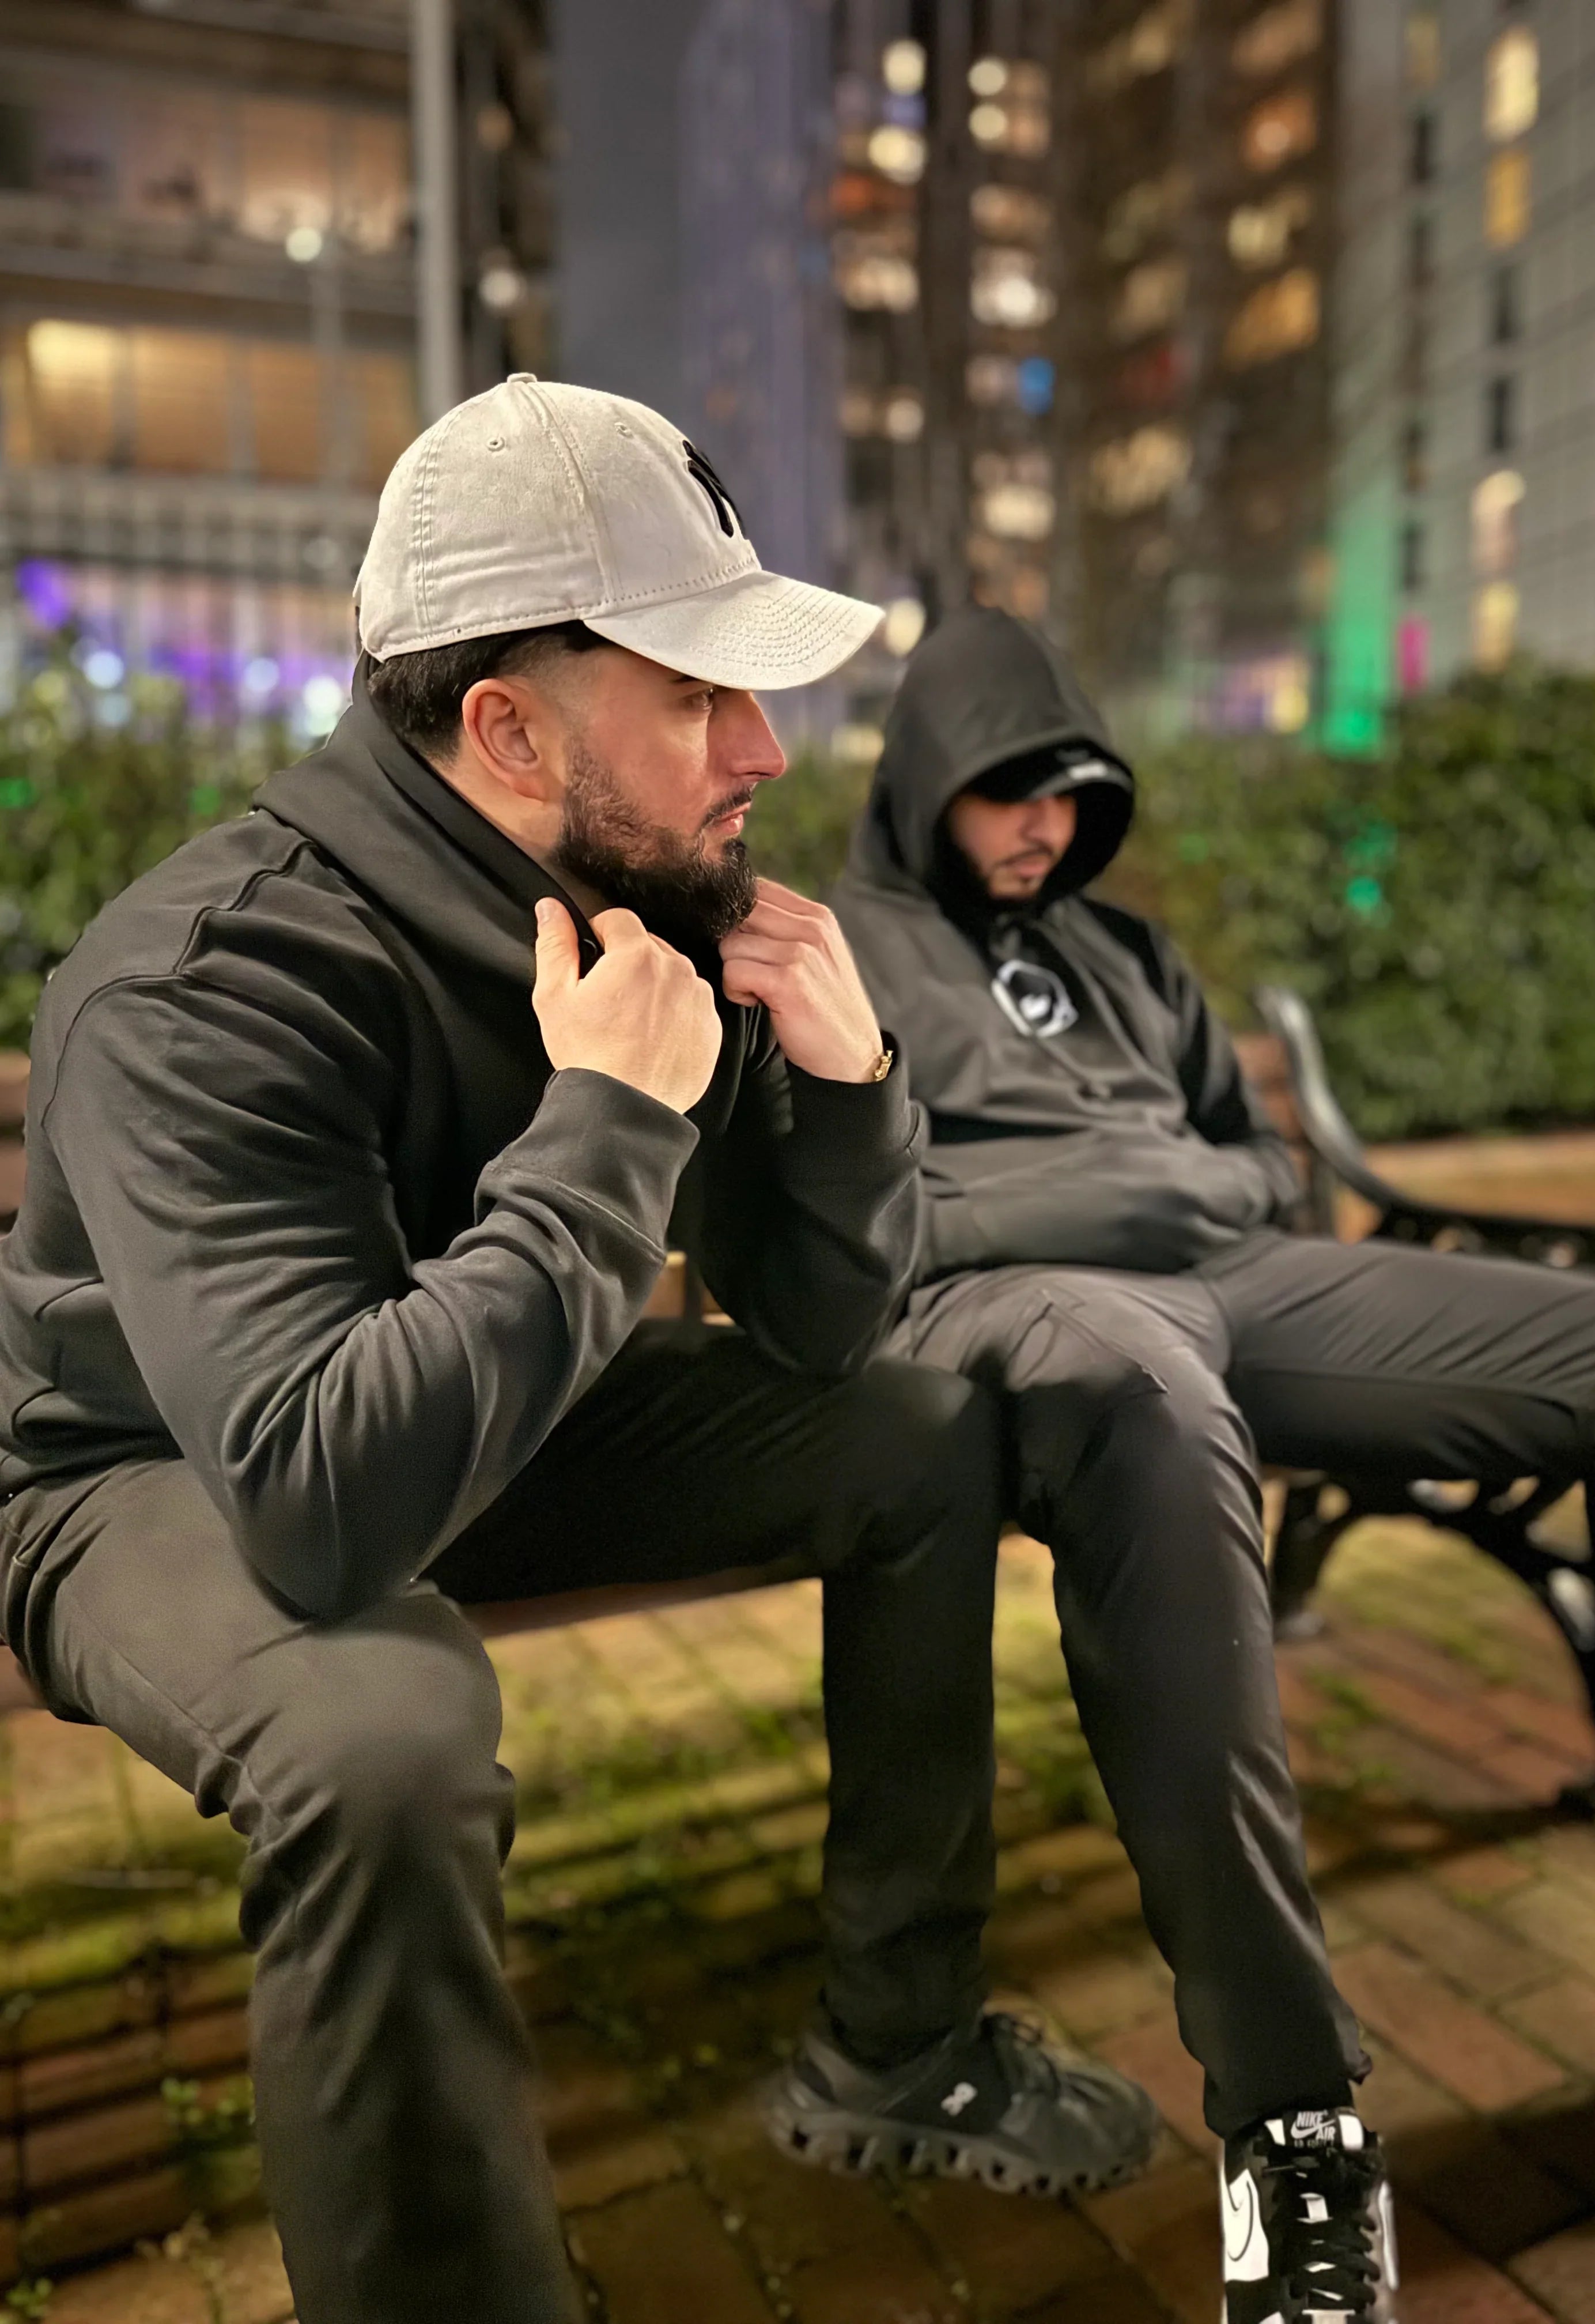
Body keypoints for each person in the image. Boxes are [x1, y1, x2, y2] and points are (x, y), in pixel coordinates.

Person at [0, 388, 1156, 2324]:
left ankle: (897, 2043)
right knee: (383, 1736)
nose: (768, 753)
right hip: (157, 1469)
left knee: (921, 1431)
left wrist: (854, 1088)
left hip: (480, 1409)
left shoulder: (645, 908)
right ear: (508, 728)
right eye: (702, 690)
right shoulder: (208, 986)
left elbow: (816, 1329)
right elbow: (317, 1503)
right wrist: (612, 1131)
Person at [833, 605, 1595, 2322]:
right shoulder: (836, 953)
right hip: (1039, 1321)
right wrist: (1147, 1190)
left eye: (1075, 794)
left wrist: (1194, 1188)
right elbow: (877, 1232)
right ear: (927, 779)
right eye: (1010, 791)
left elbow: (1264, 1172)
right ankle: (1296, 2128)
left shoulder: (1126, 951)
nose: (1044, 825)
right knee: (1159, 1418)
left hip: (1243, 1286)